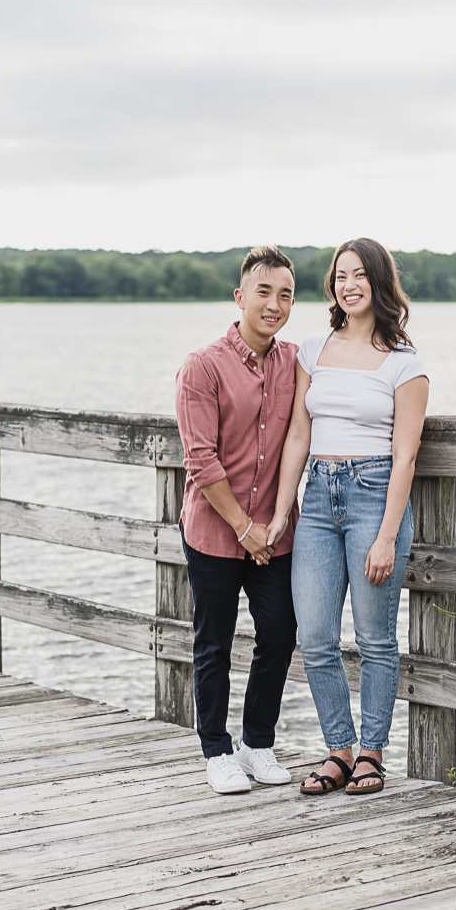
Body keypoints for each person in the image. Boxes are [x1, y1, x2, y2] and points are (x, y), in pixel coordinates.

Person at [266, 238, 429, 797]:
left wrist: (386, 535)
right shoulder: (313, 349)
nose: (348, 285)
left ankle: (371, 754)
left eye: (359, 275)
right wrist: (284, 509)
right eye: (340, 276)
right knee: (313, 635)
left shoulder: (406, 364)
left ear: (379, 283)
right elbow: (296, 435)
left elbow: (406, 455)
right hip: (317, 499)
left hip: (374, 495)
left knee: (375, 639)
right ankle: (337, 749)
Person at [175, 245, 299, 795]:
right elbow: (201, 458)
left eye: (286, 294)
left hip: (275, 534)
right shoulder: (203, 366)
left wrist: (265, 526)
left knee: (279, 634)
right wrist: (242, 526)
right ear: (241, 297)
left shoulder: (298, 361)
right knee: (214, 643)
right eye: (264, 292)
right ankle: (217, 750)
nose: (275, 304)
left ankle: (257, 743)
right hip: (214, 531)